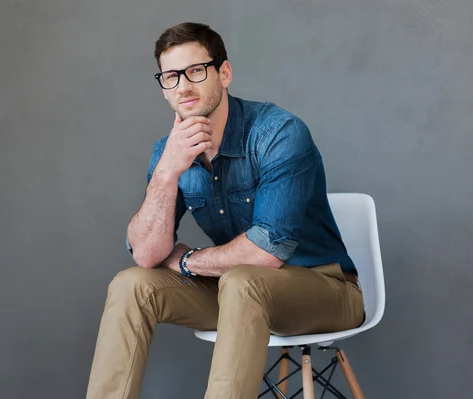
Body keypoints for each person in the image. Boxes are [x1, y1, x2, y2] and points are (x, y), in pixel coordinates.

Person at [86, 22, 364, 399]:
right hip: (236, 294)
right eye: (171, 76)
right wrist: (167, 171)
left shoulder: (278, 133)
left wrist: (189, 261)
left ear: (224, 73)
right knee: (131, 284)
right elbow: (147, 254)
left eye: (196, 71)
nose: (183, 86)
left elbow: (267, 251)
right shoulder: (169, 151)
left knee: (243, 281)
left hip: (325, 290)